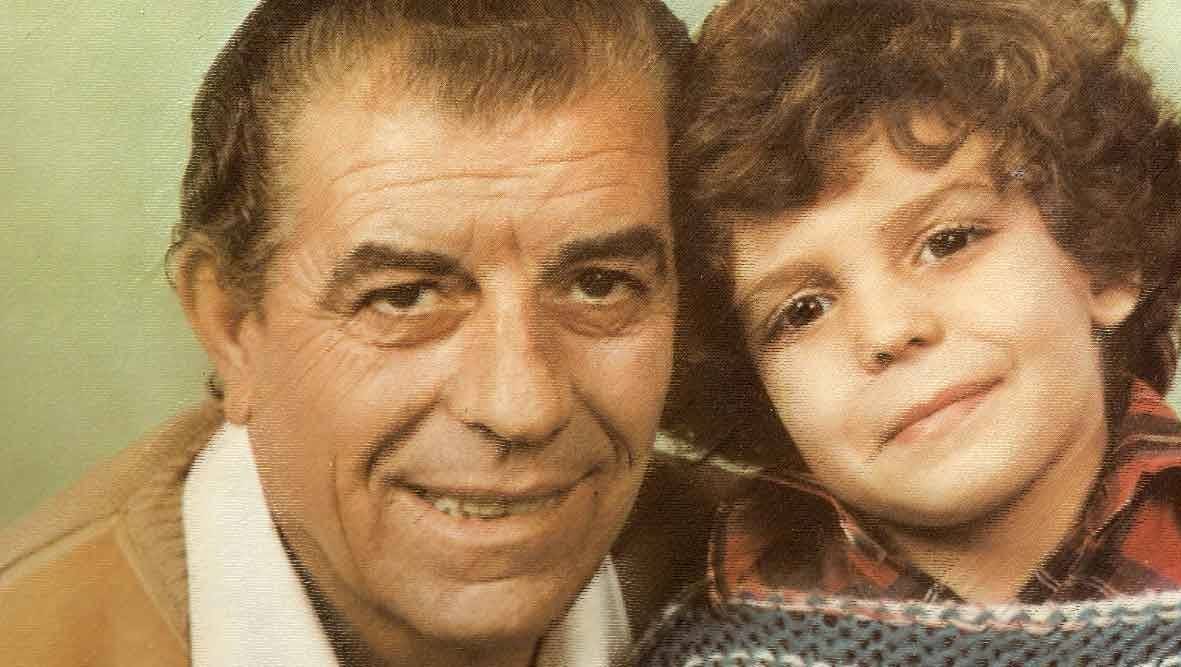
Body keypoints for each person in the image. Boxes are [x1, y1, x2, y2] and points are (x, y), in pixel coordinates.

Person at [642, 0, 1181, 663]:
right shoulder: (707, 652)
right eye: (802, 309)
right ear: (755, 385)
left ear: (1104, 259)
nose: (888, 330)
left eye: (949, 241)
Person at [0, 1, 729, 665]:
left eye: (599, 285)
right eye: (404, 297)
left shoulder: (771, 580)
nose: (521, 407)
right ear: (232, 327)